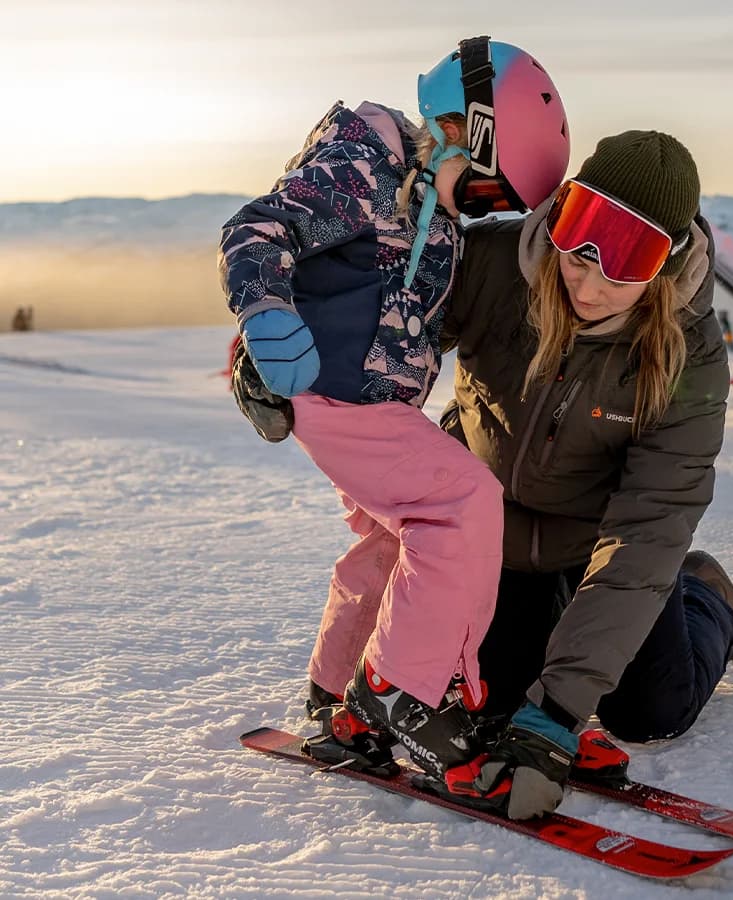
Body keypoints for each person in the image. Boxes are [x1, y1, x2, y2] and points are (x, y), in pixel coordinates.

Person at [221, 37, 571, 783]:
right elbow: (256, 229)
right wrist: (264, 317)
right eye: (487, 191)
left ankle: (340, 690)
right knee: (463, 503)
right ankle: (401, 694)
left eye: (500, 206)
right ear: (456, 128)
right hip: (333, 390)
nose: (483, 211)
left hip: (364, 399)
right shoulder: (362, 167)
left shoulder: (431, 208)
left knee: (392, 540)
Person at [415, 130, 733, 821]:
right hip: (494, 534)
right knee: (495, 701)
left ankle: (710, 601)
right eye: (580, 245)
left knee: (647, 711)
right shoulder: (494, 266)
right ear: (562, 213)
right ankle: (541, 636)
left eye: (627, 265)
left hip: (599, 545)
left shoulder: (688, 358)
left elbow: (648, 526)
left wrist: (561, 712)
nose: (591, 282)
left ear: (664, 268)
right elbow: (392, 323)